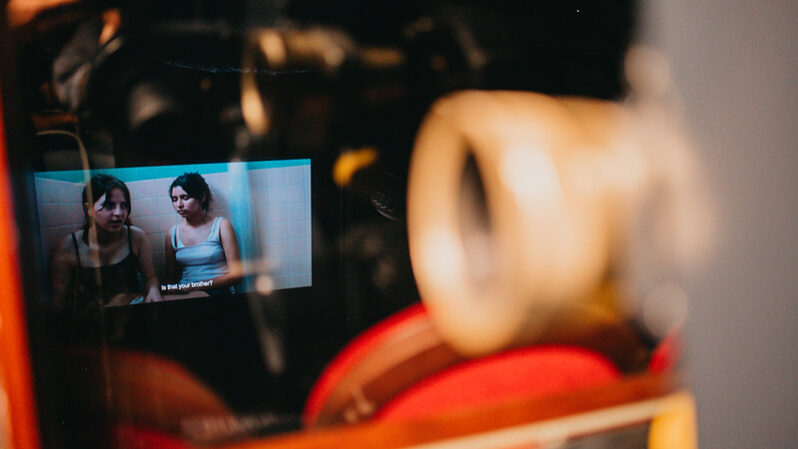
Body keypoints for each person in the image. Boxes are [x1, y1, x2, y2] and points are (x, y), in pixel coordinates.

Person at [51, 174, 163, 319]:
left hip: (132, 318)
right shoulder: (68, 247)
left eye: (123, 205)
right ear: (88, 209)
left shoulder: (137, 237)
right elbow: (59, 304)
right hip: (92, 325)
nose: (119, 213)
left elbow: (150, 278)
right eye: (109, 205)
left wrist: (153, 290)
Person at [165, 172, 241, 296]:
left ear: (202, 197)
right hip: (185, 293)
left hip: (218, 290)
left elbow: (236, 275)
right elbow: (170, 278)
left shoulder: (221, 226)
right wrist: (171, 290)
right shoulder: (172, 234)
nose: (179, 205)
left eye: (185, 198)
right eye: (174, 199)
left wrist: (196, 286)